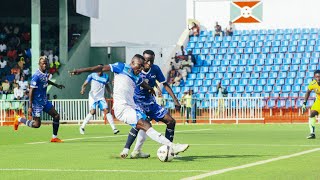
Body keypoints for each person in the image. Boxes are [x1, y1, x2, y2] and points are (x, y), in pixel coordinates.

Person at [69, 54, 189, 156]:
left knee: (143, 125)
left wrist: (151, 89)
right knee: (144, 124)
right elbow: (100, 67)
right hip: (122, 108)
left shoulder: (136, 76)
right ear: (132, 62)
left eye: (142, 66)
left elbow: (143, 84)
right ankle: (172, 146)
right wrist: (80, 71)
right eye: (139, 65)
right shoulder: (121, 67)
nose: (141, 68)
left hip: (132, 107)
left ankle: (135, 151)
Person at [120, 50, 182, 159]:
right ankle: (126, 149)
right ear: (142, 60)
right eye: (147, 61)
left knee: (171, 121)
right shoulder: (134, 70)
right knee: (140, 122)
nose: (149, 63)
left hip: (151, 102)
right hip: (137, 102)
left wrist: (175, 100)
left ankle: (169, 150)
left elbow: (165, 84)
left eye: (151, 61)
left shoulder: (155, 69)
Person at [13, 56, 65, 143]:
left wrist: (57, 85)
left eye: (46, 63)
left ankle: (54, 137)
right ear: (39, 64)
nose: (45, 64)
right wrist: (30, 107)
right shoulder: (36, 76)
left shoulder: (45, 73)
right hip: (36, 103)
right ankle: (19, 119)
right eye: (43, 63)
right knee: (37, 125)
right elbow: (31, 90)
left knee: (56, 116)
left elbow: (46, 81)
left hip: (44, 101)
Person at [79, 66, 119, 135]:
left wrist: (111, 93)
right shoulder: (92, 75)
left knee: (106, 110)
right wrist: (83, 89)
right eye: (97, 69)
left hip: (100, 97)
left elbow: (107, 86)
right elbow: (85, 84)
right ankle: (82, 127)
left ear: (102, 70)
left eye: (100, 69)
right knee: (92, 111)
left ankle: (114, 128)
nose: (99, 71)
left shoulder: (106, 77)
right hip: (93, 97)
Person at [302, 70, 320, 139]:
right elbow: (308, 92)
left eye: (319, 77)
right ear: (314, 77)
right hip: (319, 101)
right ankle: (312, 133)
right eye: (316, 77)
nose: (318, 78)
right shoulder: (312, 84)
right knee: (312, 113)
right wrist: (304, 103)